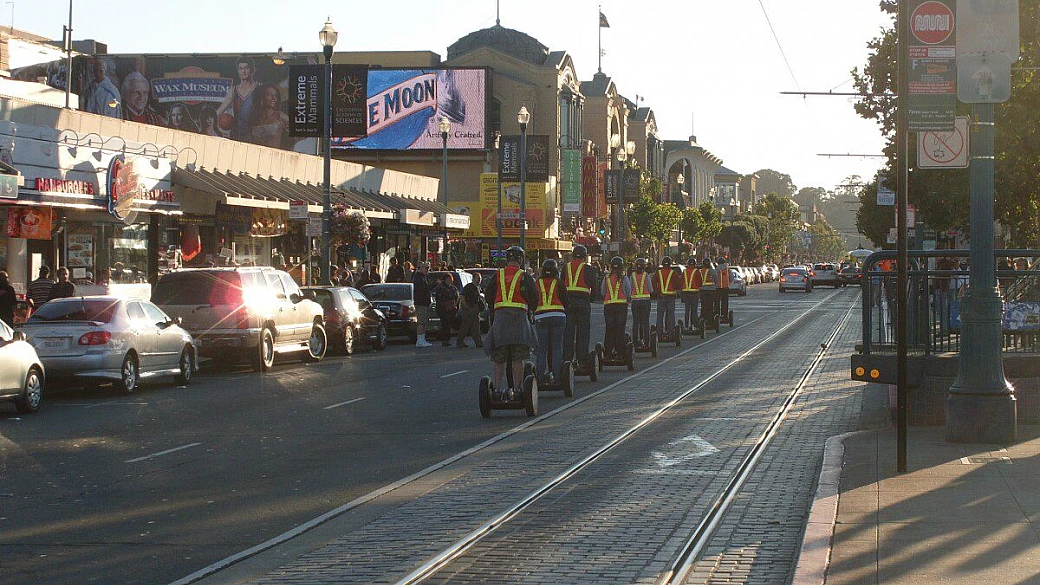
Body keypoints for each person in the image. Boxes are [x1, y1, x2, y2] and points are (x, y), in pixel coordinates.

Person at [484, 246, 538, 395]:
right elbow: (534, 298)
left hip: (501, 318)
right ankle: (517, 388)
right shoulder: (524, 276)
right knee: (518, 357)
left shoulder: (498, 275)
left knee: (499, 357)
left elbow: (488, 295)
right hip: (519, 319)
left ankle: (496, 389)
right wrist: (531, 310)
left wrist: (495, 306)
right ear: (520, 260)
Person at [562, 244, 598, 370]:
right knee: (583, 332)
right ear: (584, 256)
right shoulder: (588, 269)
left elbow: (561, 286)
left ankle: (567, 361)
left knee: (568, 333)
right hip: (583, 302)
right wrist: (592, 298)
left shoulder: (565, 267)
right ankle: (582, 360)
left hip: (568, 302)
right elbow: (594, 286)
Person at [534, 259, 568, 383]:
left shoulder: (537, 282)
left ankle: (539, 378)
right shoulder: (558, 283)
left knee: (542, 348)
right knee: (556, 347)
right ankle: (557, 377)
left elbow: (533, 299)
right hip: (558, 315)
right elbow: (566, 300)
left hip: (541, 317)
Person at [217, 57, 260, 142]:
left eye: (246, 68)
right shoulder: (234, 90)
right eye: (241, 68)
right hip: (237, 134)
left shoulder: (259, 87)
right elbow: (220, 110)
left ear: (252, 70)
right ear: (238, 71)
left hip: (254, 135)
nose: (243, 71)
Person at [601, 256, 633, 359]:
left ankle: (608, 353)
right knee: (620, 329)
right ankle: (620, 353)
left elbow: (602, 292)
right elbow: (628, 292)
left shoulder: (606, 278)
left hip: (609, 306)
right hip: (621, 306)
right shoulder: (624, 278)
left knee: (610, 329)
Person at [249, 84, 289, 148]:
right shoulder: (254, 116)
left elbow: (298, 133)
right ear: (262, 97)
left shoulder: (280, 116)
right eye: (269, 95)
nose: (274, 98)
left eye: (275, 95)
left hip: (273, 155)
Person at [630, 257, 654, 347]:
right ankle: (647, 342)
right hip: (645, 301)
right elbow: (651, 289)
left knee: (636, 322)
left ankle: (635, 342)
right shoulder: (646, 276)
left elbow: (629, 289)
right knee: (645, 322)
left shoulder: (632, 276)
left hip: (635, 302)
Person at [458, 273, 485, 348]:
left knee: (475, 326)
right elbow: (462, 296)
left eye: (480, 278)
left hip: (475, 308)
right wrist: (465, 306)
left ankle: (478, 342)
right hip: (469, 308)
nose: (479, 280)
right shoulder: (468, 287)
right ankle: (460, 341)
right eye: (478, 278)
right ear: (473, 278)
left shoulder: (477, 287)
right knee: (465, 326)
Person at [655, 257, 679, 338]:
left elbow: (653, 283)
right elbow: (677, 285)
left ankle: (659, 334)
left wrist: (658, 292)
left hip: (661, 296)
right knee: (670, 315)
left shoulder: (658, 273)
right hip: (670, 296)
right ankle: (670, 333)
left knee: (660, 315)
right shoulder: (673, 273)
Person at [433, 275, 460, 346]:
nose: (449, 280)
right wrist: (446, 305)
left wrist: (454, 305)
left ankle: (447, 339)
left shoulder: (453, 288)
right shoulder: (440, 288)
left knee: (449, 324)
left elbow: (457, 297)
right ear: (444, 280)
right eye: (448, 279)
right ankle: (445, 340)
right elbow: (438, 299)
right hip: (443, 310)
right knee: (445, 324)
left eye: (450, 279)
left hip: (452, 309)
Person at [412, 262, 434, 347]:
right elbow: (423, 288)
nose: (427, 270)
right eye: (426, 268)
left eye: (428, 268)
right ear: (421, 268)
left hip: (424, 302)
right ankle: (419, 340)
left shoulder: (423, 277)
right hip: (420, 302)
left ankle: (423, 339)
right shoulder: (418, 278)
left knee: (424, 322)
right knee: (421, 322)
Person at [681, 258, 701, 331]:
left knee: (687, 310)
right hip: (694, 293)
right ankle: (693, 325)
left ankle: (686, 326)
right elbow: (700, 282)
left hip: (686, 293)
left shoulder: (685, 272)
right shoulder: (697, 272)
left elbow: (681, 281)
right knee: (694, 310)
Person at [698, 257, 719, 323]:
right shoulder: (712, 271)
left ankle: (703, 319)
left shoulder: (700, 271)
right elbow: (716, 279)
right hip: (711, 290)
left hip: (702, 290)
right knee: (710, 305)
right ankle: (710, 320)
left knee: (703, 305)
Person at [715, 256, 730, 322]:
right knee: (725, 302)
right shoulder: (727, 269)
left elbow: (714, 278)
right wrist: (728, 283)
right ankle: (725, 316)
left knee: (717, 302)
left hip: (718, 288)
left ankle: (717, 315)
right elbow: (731, 277)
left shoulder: (717, 269)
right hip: (726, 288)